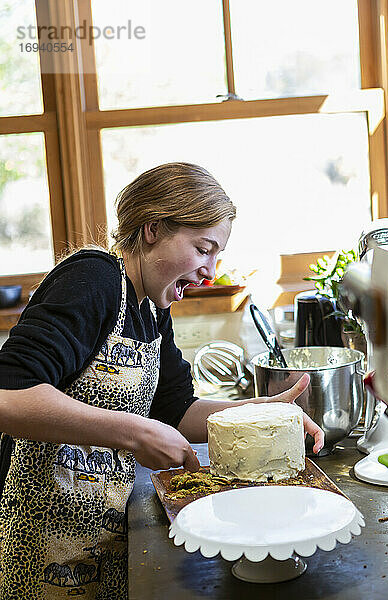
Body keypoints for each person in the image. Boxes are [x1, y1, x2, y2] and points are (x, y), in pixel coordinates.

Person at [0, 162, 324, 599]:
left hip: (100, 530)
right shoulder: (91, 279)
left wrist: (262, 413)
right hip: (40, 535)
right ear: (152, 229)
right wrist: (133, 432)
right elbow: (9, 395)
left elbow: (175, 410)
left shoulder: (153, 306)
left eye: (217, 256)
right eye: (203, 248)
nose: (210, 271)